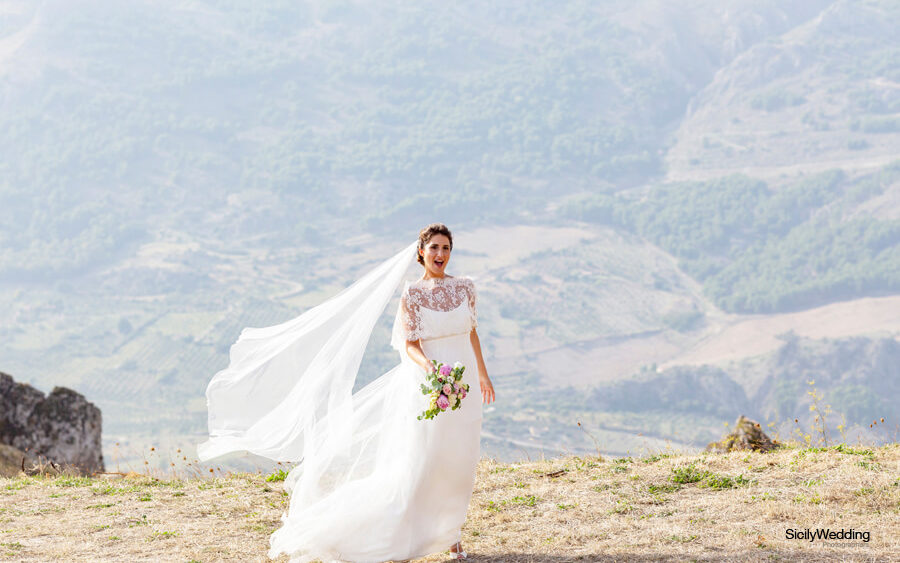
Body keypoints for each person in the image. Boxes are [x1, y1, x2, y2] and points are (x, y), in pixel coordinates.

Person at [197, 223, 495, 563]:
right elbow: (410, 344)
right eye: (434, 248)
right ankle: (410, 532)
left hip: (465, 384)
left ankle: (451, 535)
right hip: (429, 386)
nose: (440, 254)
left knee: (459, 460)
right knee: (427, 460)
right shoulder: (412, 294)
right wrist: (429, 368)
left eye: (446, 248)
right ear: (421, 253)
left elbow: (472, 334)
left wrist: (483, 376)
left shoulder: (466, 288)